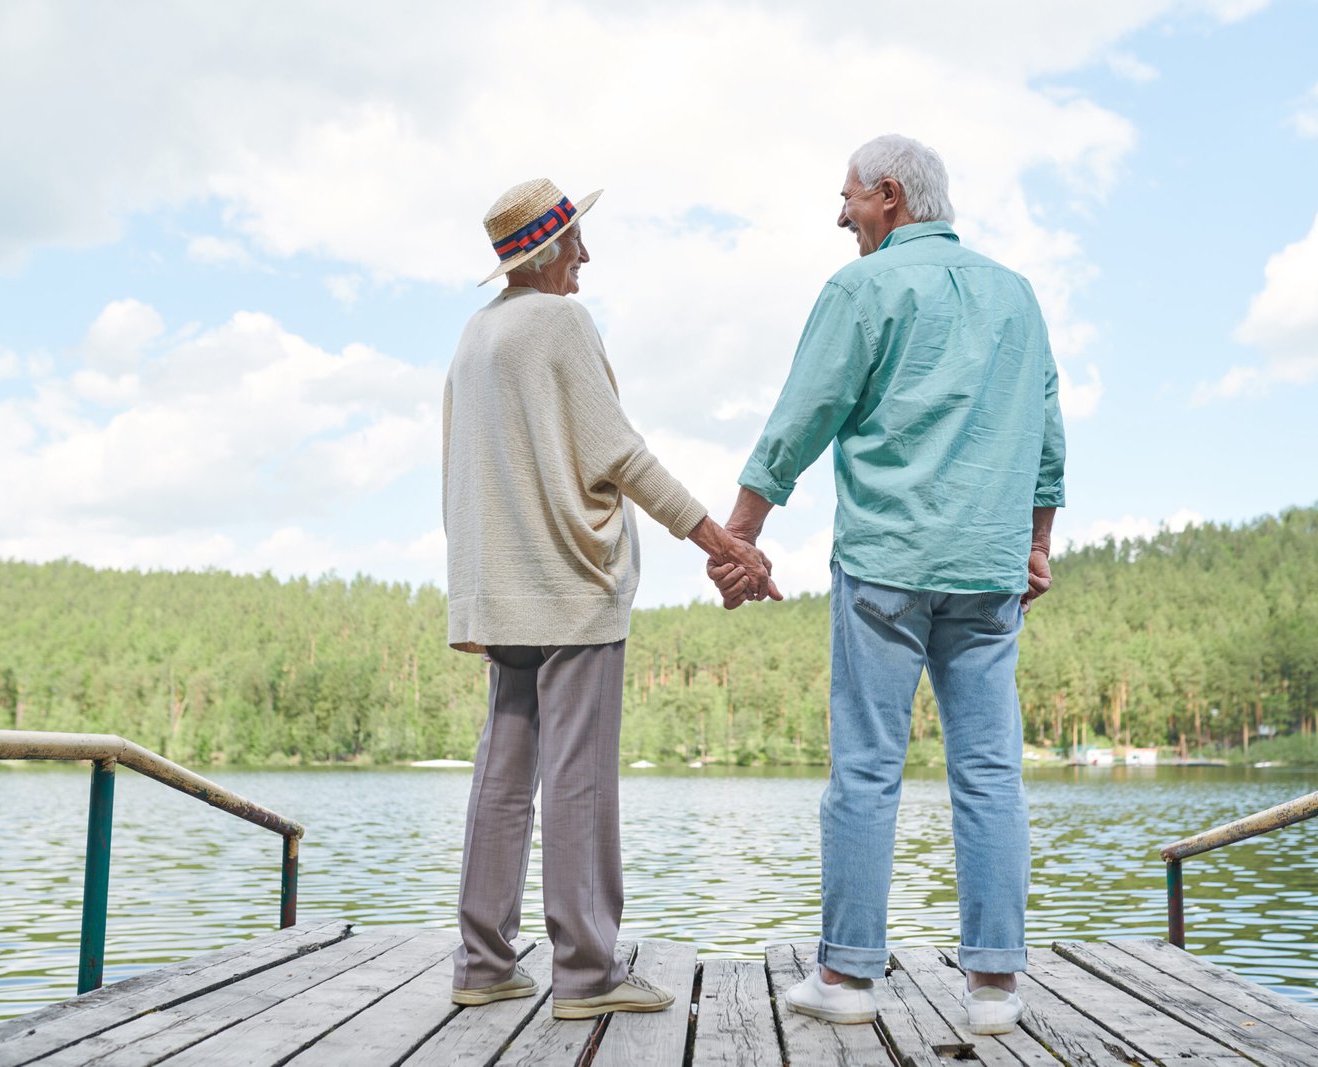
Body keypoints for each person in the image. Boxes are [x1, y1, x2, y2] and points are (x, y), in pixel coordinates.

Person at [710, 135, 1064, 1035]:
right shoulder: (1016, 295)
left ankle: (847, 977)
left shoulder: (861, 289)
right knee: (990, 771)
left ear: (891, 196)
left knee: (867, 768)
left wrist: (741, 532)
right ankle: (995, 987)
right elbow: (1048, 431)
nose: (842, 216)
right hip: (987, 568)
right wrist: (1037, 542)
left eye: (849, 198)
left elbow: (802, 415)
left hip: (886, 566)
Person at [443, 178, 774, 1018]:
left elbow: (461, 472)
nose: (586, 256)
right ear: (547, 251)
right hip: (572, 585)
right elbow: (620, 453)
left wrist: (471, 596)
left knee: (502, 774)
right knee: (579, 781)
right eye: (576, 241)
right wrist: (719, 540)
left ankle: (483, 963)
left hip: (503, 591)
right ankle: (587, 975)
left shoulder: (476, 337)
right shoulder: (560, 323)